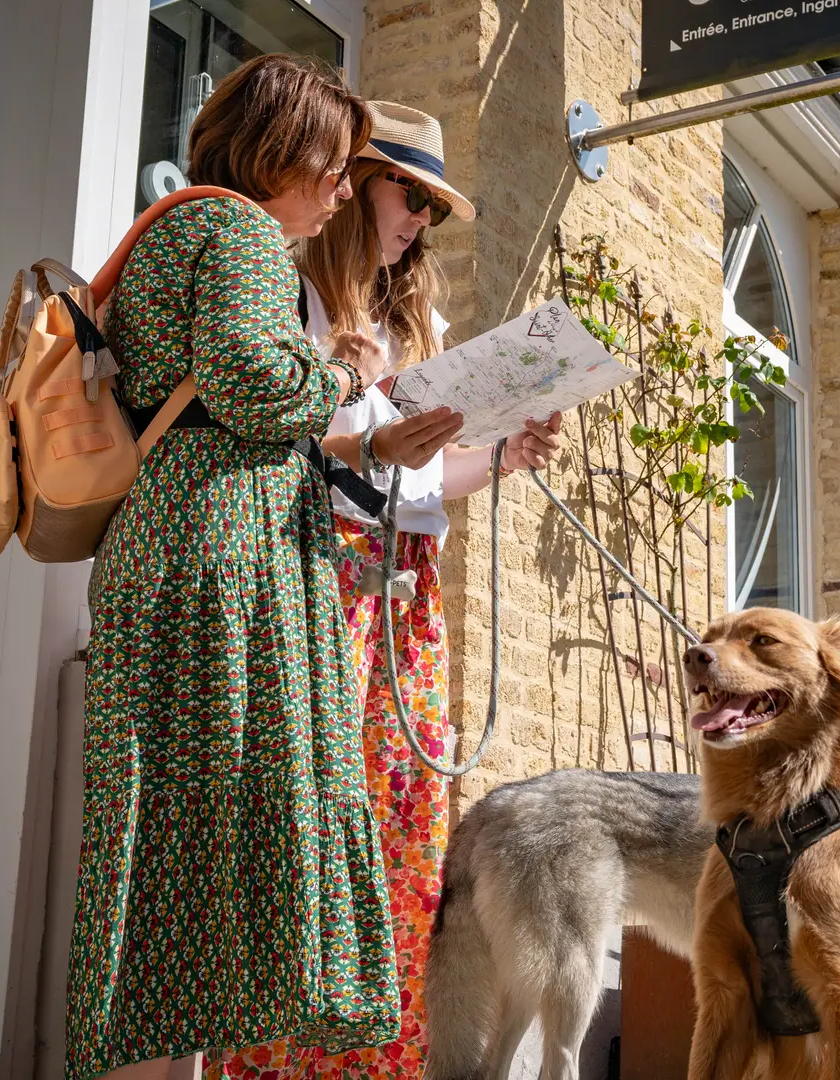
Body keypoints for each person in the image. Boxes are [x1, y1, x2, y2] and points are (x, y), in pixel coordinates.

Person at [206, 101, 561, 1079]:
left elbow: (422, 476)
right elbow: (257, 435)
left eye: (432, 211)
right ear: (359, 184)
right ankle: (273, 1062)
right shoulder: (283, 287)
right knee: (305, 817)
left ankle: (377, 1061)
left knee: (400, 823)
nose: (420, 223)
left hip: (401, 594)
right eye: (411, 196)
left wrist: (500, 457)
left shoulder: (414, 319)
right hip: (309, 570)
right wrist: (335, 384)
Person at [67, 55, 398, 1080]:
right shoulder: (242, 230)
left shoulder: (176, 231)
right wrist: (348, 369)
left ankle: (145, 1051)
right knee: (222, 825)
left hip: (174, 542)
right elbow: (254, 381)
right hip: (221, 560)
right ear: (284, 151)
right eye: (335, 169)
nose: (342, 192)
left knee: (172, 831)